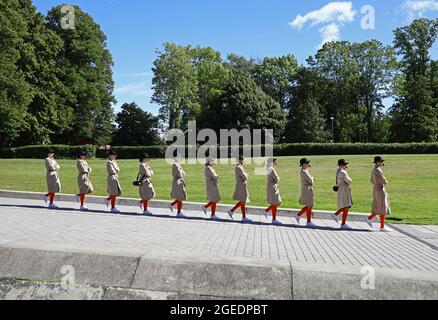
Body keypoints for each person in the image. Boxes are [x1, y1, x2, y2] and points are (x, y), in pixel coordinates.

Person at [366, 156, 391, 232]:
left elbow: (371, 180)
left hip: (375, 188)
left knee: (377, 205)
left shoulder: (373, 170)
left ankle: (371, 219)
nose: (382, 162)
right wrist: (385, 181)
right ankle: (381, 226)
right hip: (380, 189)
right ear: (377, 162)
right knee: (383, 207)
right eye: (381, 161)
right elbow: (384, 181)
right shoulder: (378, 170)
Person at [228, 155, 252, 223]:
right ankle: (243, 217)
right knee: (243, 201)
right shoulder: (239, 167)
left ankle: (232, 211)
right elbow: (245, 177)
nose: (244, 161)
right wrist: (247, 175)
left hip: (242, 185)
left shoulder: (240, 167)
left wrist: (246, 175)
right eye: (243, 160)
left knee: (242, 201)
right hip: (241, 185)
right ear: (240, 160)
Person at [294, 158, 317, 228]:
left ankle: (299, 215)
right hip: (307, 189)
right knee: (310, 205)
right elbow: (311, 181)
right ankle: (308, 221)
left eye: (308, 163)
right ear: (303, 164)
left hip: (306, 188)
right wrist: (313, 178)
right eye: (306, 163)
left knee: (309, 205)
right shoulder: (304, 172)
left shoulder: (304, 170)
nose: (308, 164)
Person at [331, 159, 353, 230]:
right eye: (345, 164)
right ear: (342, 165)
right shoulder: (343, 172)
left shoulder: (338, 171)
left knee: (346, 206)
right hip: (344, 190)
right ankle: (337, 216)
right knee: (347, 206)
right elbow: (349, 181)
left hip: (341, 189)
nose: (346, 165)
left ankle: (342, 221)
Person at [265, 158, 282, 225]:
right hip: (273, 187)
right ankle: (274, 219)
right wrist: (279, 177)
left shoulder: (269, 168)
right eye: (274, 162)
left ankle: (267, 211)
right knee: (276, 202)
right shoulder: (271, 169)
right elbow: (277, 179)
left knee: (277, 202)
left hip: (271, 186)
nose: (275, 163)